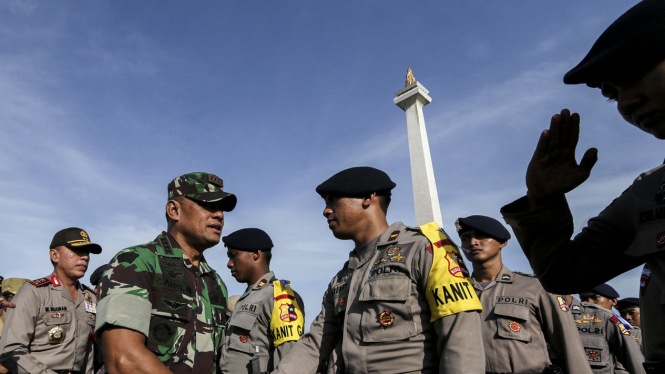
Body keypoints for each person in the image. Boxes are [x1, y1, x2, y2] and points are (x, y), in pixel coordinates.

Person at [500, 0, 665, 369]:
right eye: (612, 92)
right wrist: (543, 200)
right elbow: (565, 273)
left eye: (634, 74)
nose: (627, 102)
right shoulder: (651, 191)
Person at [273, 166, 485, 374]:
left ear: (367, 197)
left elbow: (461, 336)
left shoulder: (424, 249)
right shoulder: (342, 278)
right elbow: (316, 343)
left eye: (333, 199)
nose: (326, 210)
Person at [96, 172, 236, 374]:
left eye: (222, 209)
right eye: (207, 205)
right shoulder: (135, 263)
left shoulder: (214, 282)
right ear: (174, 210)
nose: (219, 215)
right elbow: (123, 358)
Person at [456, 215, 592, 374]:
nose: (472, 242)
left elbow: (570, 349)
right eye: (465, 238)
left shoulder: (536, 288)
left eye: (480, 236)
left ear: (502, 242)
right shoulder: (458, 292)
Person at [0, 227, 102, 374]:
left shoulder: (90, 298)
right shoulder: (34, 292)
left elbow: (90, 352)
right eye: (77, 250)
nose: (85, 257)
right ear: (55, 255)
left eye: (87, 252)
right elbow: (11, 350)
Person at [219, 228, 305, 374]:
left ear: (255, 254)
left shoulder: (279, 296)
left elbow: (290, 361)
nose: (229, 263)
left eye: (233, 255)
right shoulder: (248, 297)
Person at [569, 284, 645, 373]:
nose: (588, 302)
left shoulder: (619, 325)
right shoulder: (572, 322)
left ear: (613, 301)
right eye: (583, 299)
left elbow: (636, 362)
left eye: (594, 297)